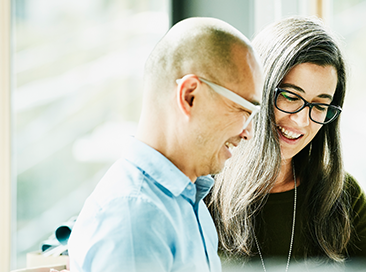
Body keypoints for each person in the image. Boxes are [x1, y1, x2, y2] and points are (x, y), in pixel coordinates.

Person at [67, 17, 263, 272]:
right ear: (189, 96)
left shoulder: (186, 202)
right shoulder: (135, 218)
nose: (248, 133)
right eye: (243, 110)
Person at [208, 16, 366, 271]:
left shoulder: (343, 197)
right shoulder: (202, 193)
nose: (302, 121)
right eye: (291, 97)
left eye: (320, 105)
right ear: (256, 89)